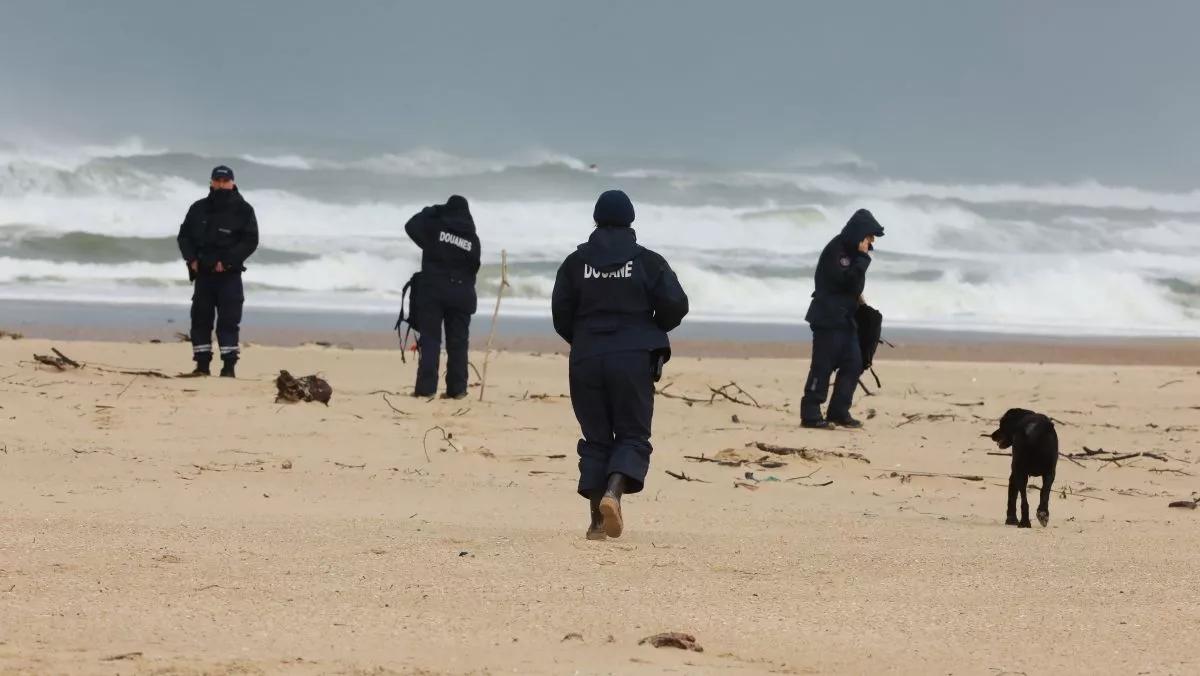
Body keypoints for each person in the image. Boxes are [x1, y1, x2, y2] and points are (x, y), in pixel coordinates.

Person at [551, 190, 689, 541]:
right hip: (632, 358)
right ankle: (614, 492)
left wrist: (584, 340)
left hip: (587, 358)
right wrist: (651, 329)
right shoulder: (647, 262)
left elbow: (560, 315)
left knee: (596, 437)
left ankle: (597, 520)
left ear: (596, 219)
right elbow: (676, 304)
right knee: (631, 434)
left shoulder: (574, 263)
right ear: (630, 220)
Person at [800, 209, 885, 429]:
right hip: (827, 318)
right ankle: (810, 414)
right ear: (859, 233)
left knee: (854, 363)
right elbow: (847, 282)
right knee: (822, 366)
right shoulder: (836, 251)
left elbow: (854, 289)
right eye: (869, 236)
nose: (872, 241)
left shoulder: (855, 255)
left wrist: (866, 311)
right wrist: (864, 259)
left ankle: (838, 411)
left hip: (846, 320)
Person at [176, 165, 259, 378]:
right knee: (200, 319)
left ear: (232, 182)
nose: (221, 184)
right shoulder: (198, 207)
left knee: (228, 321)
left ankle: (228, 368)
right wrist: (191, 259)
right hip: (203, 275)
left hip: (229, 276)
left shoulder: (244, 210)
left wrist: (228, 261)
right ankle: (202, 366)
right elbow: (184, 236)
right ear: (211, 182)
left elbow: (250, 241)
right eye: (217, 180)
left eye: (225, 181)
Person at [405, 195, 481, 399]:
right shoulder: (472, 239)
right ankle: (457, 390)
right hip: (462, 294)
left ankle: (426, 389)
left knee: (430, 340)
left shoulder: (436, 228)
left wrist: (434, 209)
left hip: (434, 291)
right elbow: (474, 266)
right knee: (458, 343)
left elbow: (411, 226)